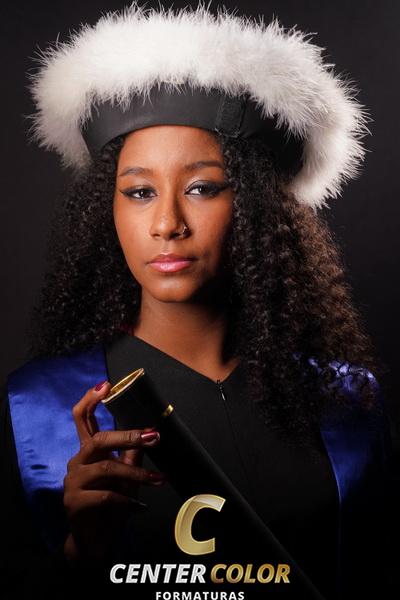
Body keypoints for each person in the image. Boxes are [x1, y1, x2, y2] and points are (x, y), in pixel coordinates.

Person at [0, 2, 393, 599]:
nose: (166, 223)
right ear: (106, 210)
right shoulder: (36, 409)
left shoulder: (347, 404)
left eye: (202, 187)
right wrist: (80, 555)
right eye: (139, 192)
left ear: (255, 208)